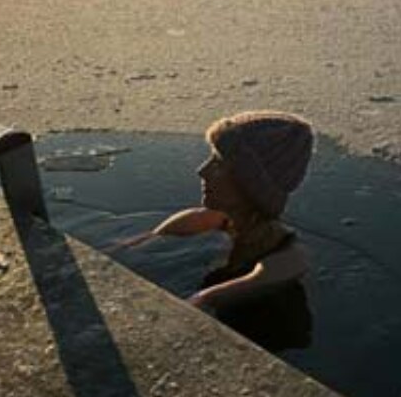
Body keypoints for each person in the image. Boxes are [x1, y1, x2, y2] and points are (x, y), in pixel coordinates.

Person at [123, 111, 314, 316]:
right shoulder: (203, 220)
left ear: (248, 183)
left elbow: (202, 302)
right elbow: (121, 253)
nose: (202, 171)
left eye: (218, 163)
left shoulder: (288, 260)